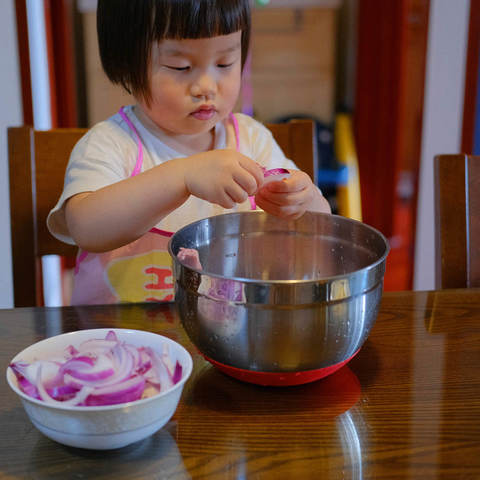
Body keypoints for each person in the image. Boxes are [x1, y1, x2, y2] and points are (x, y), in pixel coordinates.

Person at [47, 0, 331, 305]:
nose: (206, 87)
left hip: (227, 334)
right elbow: (86, 228)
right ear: (127, 65)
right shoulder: (112, 144)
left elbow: (318, 230)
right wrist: (182, 175)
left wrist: (303, 199)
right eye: (181, 67)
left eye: (224, 63)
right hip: (121, 339)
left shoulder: (251, 139)